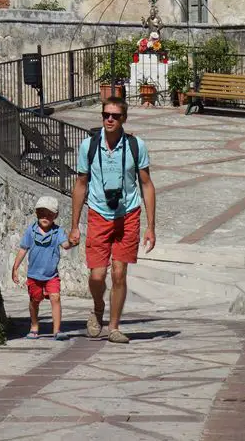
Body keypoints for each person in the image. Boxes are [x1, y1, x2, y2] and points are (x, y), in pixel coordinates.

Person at [69, 97, 156, 344]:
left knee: (119, 273)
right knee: (97, 275)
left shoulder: (136, 146)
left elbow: (147, 185)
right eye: (106, 114)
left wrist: (150, 227)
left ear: (123, 119)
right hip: (98, 213)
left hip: (128, 214)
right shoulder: (89, 146)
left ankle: (114, 326)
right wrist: (74, 226)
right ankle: (98, 307)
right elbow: (80, 185)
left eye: (115, 116)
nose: (109, 119)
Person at [12, 195, 74, 340]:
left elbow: (65, 245)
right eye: (42, 213)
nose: (45, 217)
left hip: (51, 274)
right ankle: (34, 326)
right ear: (37, 213)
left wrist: (72, 242)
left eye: (49, 214)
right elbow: (23, 249)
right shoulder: (31, 231)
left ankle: (57, 330)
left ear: (55, 215)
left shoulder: (57, 232)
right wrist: (15, 268)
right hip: (34, 275)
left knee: (55, 297)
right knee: (35, 300)